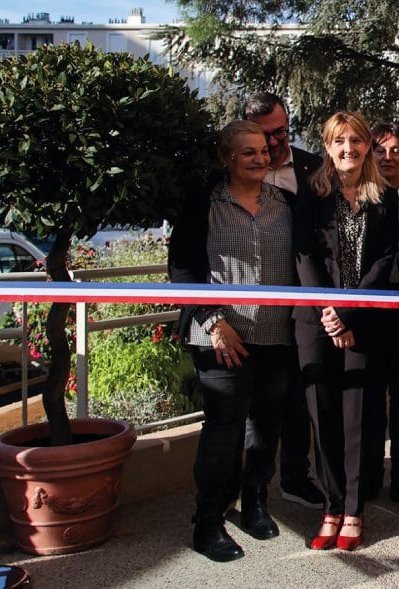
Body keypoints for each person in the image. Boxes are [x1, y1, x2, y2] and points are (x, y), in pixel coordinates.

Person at [169, 120, 298, 562]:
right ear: (227, 156)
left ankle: (255, 503)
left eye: (264, 150)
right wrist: (213, 321)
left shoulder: (286, 204)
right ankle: (208, 523)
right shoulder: (204, 204)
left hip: (276, 336)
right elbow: (183, 271)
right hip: (220, 337)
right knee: (223, 433)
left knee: (265, 430)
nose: (261, 158)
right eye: (249, 152)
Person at [292, 112, 398, 552]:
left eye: (356, 140)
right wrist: (329, 313)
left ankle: (354, 509)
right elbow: (304, 259)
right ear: (328, 146)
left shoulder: (385, 196)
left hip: (363, 322)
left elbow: (385, 258)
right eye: (340, 141)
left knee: (357, 418)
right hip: (315, 323)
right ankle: (331, 507)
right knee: (324, 417)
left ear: (367, 146)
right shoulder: (310, 194)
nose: (348, 148)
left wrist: (349, 315)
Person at [242, 91, 326, 510]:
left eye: (280, 133)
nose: (273, 145)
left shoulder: (314, 168)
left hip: (304, 308)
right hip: (255, 313)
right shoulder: (235, 172)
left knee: (300, 401)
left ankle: (297, 477)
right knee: (260, 411)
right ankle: (254, 490)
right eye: (263, 136)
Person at [369, 121, 399, 502]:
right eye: (380, 150)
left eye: (396, 150)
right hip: (370, 306)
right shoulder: (363, 195)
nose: (388, 157)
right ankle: (371, 471)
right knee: (371, 394)